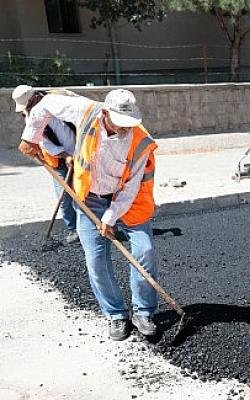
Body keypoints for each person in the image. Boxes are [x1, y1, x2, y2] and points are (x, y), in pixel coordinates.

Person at [18, 89, 160, 340]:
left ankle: (144, 312)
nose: (124, 129)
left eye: (128, 124)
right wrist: (31, 137)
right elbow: (45, 104)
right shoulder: (84, 110)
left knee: (144, 250)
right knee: (95, 259)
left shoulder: (140, 141)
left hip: (130, 200)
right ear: (105, 113)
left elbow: (130, 188)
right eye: (119, 123)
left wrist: (110, 218)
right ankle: (116, 315)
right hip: (90, 199)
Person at [12, 85, 79, 244]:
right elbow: (45, 144)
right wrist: (66, 156)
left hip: (82, 152)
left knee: (87, 193)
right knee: (64, 196)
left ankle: (93, 227)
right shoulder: (32, 118)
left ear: (34, 98)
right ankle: (73, 229)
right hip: (58, 159)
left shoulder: (58, 100)